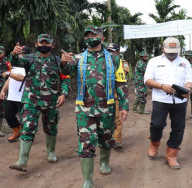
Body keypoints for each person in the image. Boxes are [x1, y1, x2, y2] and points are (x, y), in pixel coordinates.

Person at [61, 26, 129, 187]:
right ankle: (88, 181)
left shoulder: (114, 59)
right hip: (84, 109)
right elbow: (66, 72)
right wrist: (63, 63)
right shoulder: (77, 58)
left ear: (102, 38)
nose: (91, 37)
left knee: (106, 139)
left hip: (107, 107)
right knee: (86, 142)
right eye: (88, 35)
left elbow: (120, 82)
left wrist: (124, 106)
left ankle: (104, 163)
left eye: (94, 35)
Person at [8, 34, 70, 172]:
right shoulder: (29, 58)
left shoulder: (58, 60)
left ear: (52, 45)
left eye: (47, 43)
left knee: (51, 127)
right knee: (27, 128)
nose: (44, 45)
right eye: (41, 43)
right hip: (31, 100)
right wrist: (13, 54)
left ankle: (51, 153)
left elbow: (65, 78)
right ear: (36, 44)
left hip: (51, 101)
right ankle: (22, 161)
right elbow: (16, 63)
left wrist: (64, 94)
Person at [144, 37, 192, 170]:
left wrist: (188, 89)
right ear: (162, 49)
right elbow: (147, 79)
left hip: (180, 100)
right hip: (160, 99)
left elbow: (190, 79)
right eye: (169, 51)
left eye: (174, 51)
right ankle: (154, 143)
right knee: (157, 124)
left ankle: (171, 155)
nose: (172, 54)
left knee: (178, 128)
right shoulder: (154, 61)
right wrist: (161, 86)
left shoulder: (184, 62)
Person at [0, 46, 30, 142]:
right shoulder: (14, 65)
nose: (19, 55)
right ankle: (17, 131)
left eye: (21, 53)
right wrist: (3, 90)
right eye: (18, 53)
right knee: (8, 115)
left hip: (23, 96)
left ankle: (26, 136)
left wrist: (8, 74)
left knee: (24, 118)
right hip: (12, 96)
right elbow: (9, 79)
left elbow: (22, 78)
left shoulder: (28, 65)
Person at [106, 42, 129, 149]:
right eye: (108, 51)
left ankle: (116, 139)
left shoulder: (122, 63)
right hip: (104, 96)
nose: (110, 54)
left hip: (116, 95)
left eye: (113, 51)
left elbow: (123, 76)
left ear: (118, 52)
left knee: (117, 118)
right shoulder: (102, 62)